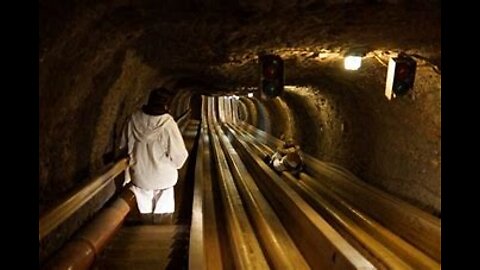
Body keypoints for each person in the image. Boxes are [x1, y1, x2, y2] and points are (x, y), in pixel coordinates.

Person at [119, 87, 188, 223]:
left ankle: (146, 229)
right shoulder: (167, 123)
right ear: (166, 104)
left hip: (141, 176)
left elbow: (123, 145)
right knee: (163, 213)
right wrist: (175, 165)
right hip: (164, 177)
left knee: (145, 211)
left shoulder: (133, 119)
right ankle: (160, 233)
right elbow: (179, 154)